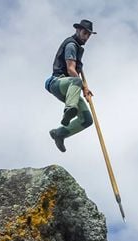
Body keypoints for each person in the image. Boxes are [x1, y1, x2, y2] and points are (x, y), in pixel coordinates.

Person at [45, 19, 96, 152]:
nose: (86, 37)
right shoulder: (71, 45)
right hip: (57, 83)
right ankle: (69, 110)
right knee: (76, 81)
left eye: (88, 35)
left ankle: (59, 133)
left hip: (69, 90)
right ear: (78, 30)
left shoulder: (78, 49)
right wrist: (84, 88)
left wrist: (84, 89)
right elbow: (70, 69)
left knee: (87, 120)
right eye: (85, 33)